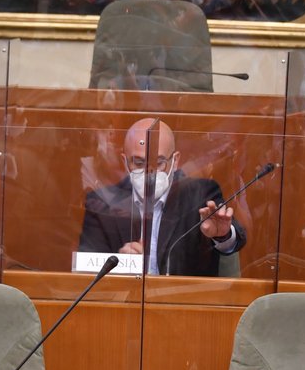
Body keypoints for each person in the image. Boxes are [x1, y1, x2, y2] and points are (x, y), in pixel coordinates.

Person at [77, 118, 244, 276]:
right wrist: (121, 265)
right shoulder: (102, 202)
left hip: (183, 301)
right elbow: (85, 270)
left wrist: (222, 235)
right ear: (125, 161)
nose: (150, 172)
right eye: (139, 163)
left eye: (158, 163)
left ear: (175, 161)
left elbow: (235, 243)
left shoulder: (201, 193)